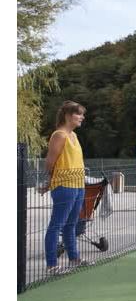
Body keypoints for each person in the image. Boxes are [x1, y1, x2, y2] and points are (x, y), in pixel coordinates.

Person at [42, 101, 94, 274]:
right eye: (79, 114)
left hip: (78, 185)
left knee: (71, 225)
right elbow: (50, 162)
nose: (82, 117)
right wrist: (49, 183)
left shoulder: (74, 136)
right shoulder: (59, 135)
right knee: (56, 225)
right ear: (68, 115)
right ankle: (52, 265)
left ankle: (74, 259)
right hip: (64, 186)